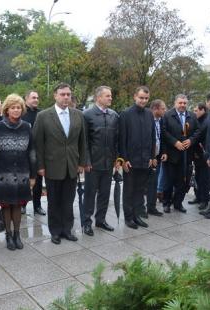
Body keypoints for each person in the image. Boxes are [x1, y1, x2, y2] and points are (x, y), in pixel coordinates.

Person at [33, 83, 86, 245]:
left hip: (72, 165)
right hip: (52, 166)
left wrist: (82, 162)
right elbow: (38, 143)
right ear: (55, 96)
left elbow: (83, 142)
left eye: (68, 94)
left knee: (69, 200)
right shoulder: (43, 116)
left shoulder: (78, 115)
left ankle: (67, 229)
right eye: (62, 94)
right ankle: (55, 231)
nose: (66, 97)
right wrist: (40, 166)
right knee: (54, 201)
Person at [0, 94, 36, 250]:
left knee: (18, 205)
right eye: (13, 107)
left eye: (18, 107)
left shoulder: (27, 127)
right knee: (6, 206)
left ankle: (17, 234)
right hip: (2, 174)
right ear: (7, 110)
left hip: (22, 173)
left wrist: (33, 175)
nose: (16, 110)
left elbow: (32, 152)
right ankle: (8, 235)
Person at [82, 86, 118, 236]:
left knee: (105, 192)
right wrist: (86, 161)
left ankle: (100, 220)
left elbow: (116, 140)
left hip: (108, 162)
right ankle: (87, 222)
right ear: (98, 98)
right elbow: (84, 141)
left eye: (110, 96)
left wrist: (117, 159)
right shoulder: (87, 115)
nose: (110, 98)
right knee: (90, 193)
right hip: (93, 163)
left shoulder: (114, 115)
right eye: (107, 96)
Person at [118, 86, 155, 229]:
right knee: (129, 190)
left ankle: (137, 216)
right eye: (141, 98)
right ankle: (128, 218)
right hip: (130, 161)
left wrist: (152, 156)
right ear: (135, 97)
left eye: (146, 98)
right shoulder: (126, 114)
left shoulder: (149, 114)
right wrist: (124, 159)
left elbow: (152, 137)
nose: (143, 100)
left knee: (140, 191)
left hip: (145, 160)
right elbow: (122, 139)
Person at [161, 94, 201, 214]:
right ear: (175, 103)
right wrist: (174, 142)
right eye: (180, 103)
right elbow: (163, 131)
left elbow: (198, 131)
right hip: (172, 154)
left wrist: (191, 140)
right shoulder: (167, 115)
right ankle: (166, 203)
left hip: (187, 155)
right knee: (169, 181)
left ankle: (178, 203)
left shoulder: (192, 116)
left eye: (184, 103)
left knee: (183, 182)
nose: (182, 105)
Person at [21, 90, 46, 216]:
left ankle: (37, 206)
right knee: (24, 180)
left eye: (37, 97)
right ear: (26, 99)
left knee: (38, 181)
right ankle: (22, 205)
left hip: (38, 152)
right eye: (33, 97)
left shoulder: (42, 114)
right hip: (24, 153)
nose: (36, 99)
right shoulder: (21, 113)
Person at [145, 99, 167, 216]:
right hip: (147, 157)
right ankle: (138, 209)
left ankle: (151, 207)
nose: (165, 111)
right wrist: (149, 156)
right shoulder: (146, 119)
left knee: (154, 183)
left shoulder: (161, 120)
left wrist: (163, 152)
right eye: (163, 108)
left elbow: (162, 138)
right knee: (143, 184)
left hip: (157, 157)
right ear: (155, 109)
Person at [188, 104, 210, 210]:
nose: (194, 112)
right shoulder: (197, 119)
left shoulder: (206, 121)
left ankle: (204, 200)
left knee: (204, 178)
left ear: (203, 110)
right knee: (197, 176)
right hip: (197, 153)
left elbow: (199, 136)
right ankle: (198, 196)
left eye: (196, 110)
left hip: (203, 153)